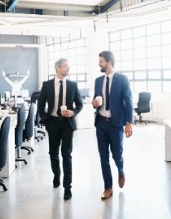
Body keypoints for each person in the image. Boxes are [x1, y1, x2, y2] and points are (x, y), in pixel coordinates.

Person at [37, 58, 83, 201]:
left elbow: (80, 104)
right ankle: (57, 174)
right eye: (65, 66)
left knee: (67, 154)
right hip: (53, 123)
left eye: (68, 66)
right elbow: (40, 105)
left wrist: (73, 113)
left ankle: (67, 187)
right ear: (57, 68)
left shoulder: (73, 85)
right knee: (53, 153)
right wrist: (46, 120)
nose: (68, 69)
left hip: (67, 123)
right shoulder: (47, 85)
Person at [92, 50, 133, 200]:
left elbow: (128, 101)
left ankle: (120, 170)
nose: (99, 64)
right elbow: (94, 100)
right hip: (101, 122)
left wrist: (129, 123)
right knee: (103, 157)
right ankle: (108, 187)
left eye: (101, 61)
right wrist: (94, 103)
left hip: (116, 125)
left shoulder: (122, 79)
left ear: (109, 62)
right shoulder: (98, 80)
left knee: (117, 155)